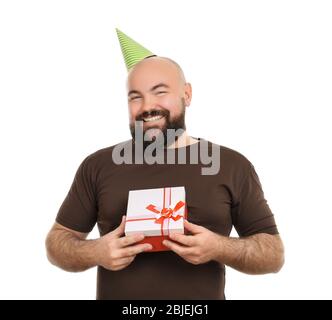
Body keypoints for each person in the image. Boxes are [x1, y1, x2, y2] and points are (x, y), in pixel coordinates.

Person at [45, 29, 284, 299]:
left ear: (187, 94)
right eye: (135, 96)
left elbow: (273, 254)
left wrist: (218, 247)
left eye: (160, 92)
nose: (147, 106)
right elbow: (57, 242)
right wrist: (96, 251)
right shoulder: (97, 165)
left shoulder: (231, 165)